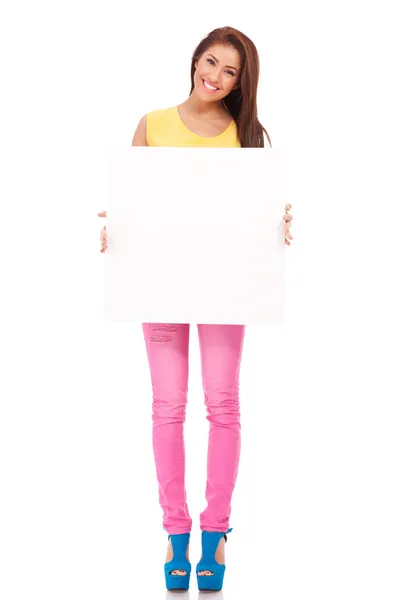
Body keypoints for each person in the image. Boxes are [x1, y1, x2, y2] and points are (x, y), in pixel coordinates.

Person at [98, 25, 293, 592]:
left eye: (231, 71)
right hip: (157, 280)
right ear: (194, 59)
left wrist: (276, 227)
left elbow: (251, 212)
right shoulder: (152, 124)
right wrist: (115, 231)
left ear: (241, 81)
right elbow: (131, 204)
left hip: (225, 284)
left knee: (223, 405)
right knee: (166, 407)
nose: (216, 76)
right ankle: (175, 533)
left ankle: (216, 535)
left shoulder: (244, 133)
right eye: (211, 62)